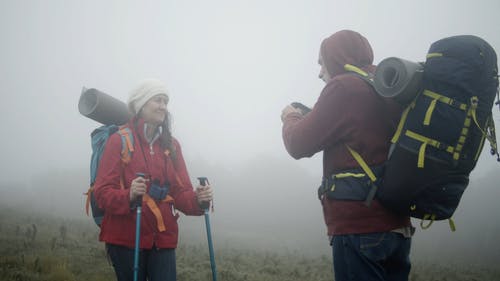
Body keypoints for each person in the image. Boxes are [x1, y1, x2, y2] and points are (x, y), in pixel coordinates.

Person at [280, 30, 413, 281]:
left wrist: (290, 117)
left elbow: (297, 144)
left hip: (360, 228)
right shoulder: (387, 87)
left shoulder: (344, 87)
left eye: (322, 62)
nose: (320, 72)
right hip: (398, 228)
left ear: (337, 57)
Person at [94, 78, 213, 281]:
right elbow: (102, 193)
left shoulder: (172, 146)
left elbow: (180, 192)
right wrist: (129, 195)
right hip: (126, 239)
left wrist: (199, 200)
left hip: (163, 238)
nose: (163, 107)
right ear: (141, 105)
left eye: (165, 102)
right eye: (157, 100)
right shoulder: (119, 140)